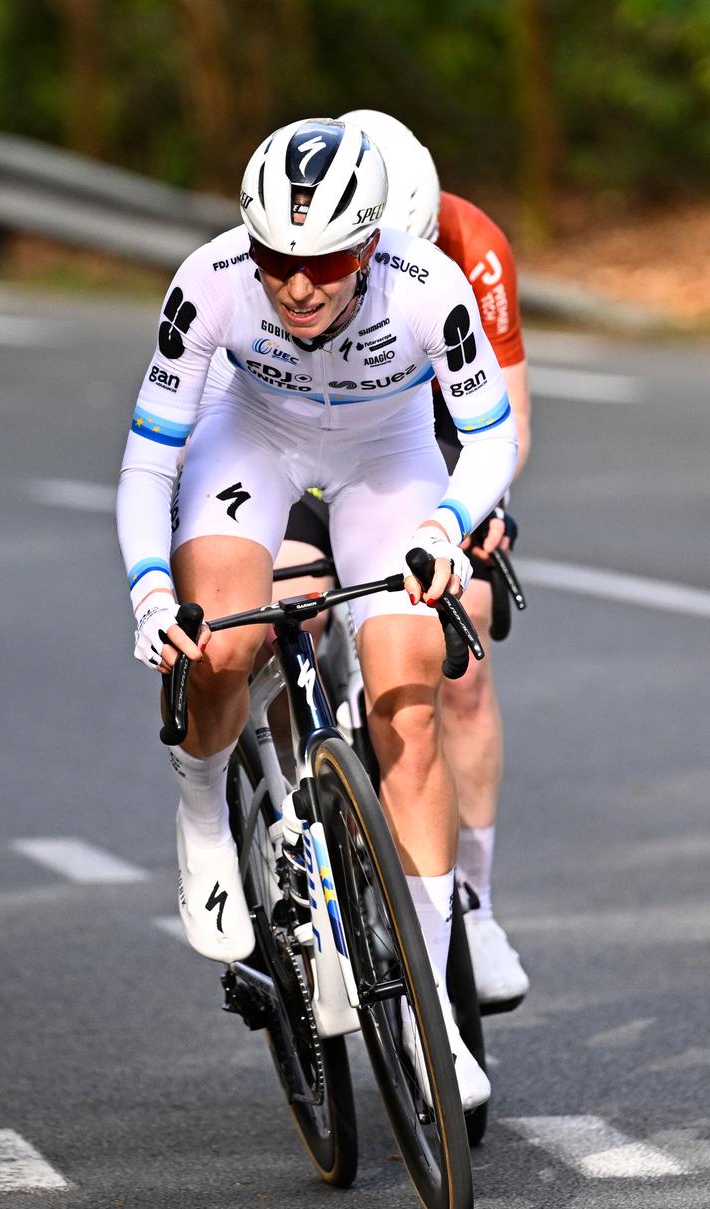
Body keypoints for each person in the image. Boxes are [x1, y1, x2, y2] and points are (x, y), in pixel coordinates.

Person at [117, 117, 518, 1108]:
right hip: (253, 444)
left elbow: (487, 438)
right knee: (228, 640)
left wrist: (448, 525)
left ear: (373, 243)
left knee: (411, 706)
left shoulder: (430, 290)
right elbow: (151, 457)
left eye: (328, 261)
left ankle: (429, 1016)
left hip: (388, 458)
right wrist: (148, 587)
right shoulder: (209, 281)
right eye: (278, 259)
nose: (298, 285)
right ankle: (205, 814)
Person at [273, 109, 532, 1011]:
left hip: (438, 442)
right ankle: (291, 818)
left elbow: (507, 413)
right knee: (287, 609)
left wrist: (478, 510)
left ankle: (477, 899)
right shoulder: (294, 253)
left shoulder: (473, 243)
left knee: (465, 651)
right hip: (317, 435)